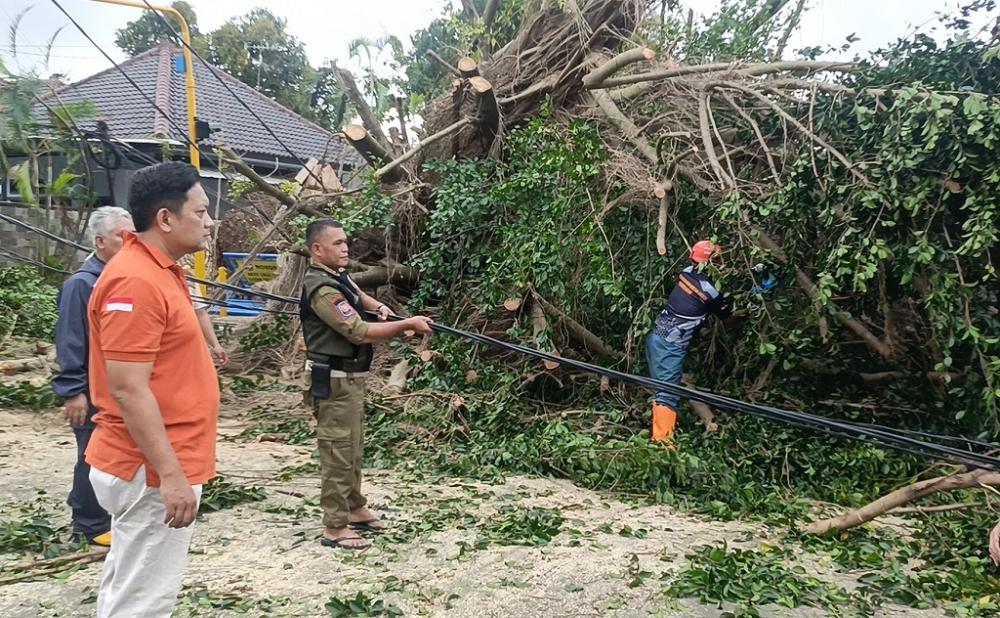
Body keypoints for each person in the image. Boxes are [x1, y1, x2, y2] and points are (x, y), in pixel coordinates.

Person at [85, 161, 219, 617]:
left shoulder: (160, 270)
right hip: (150, 468)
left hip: (161, 461)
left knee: (131, 579)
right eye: (200, 212)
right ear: (165, 219)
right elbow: (128, 389)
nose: (209, 221)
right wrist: (172, 477)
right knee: (143, 599)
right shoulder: (135, 280)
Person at [300, 218, 433, 550]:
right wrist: (406, 325)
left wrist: (380, 307)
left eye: (346, 241)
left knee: (354, 447)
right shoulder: (322, 289)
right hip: (333, 380)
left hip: (351, 378)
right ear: (317, 250)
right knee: (338, 452)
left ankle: (355, 507)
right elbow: (358, 331)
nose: (345, 248)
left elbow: (358, 296)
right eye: (337, 244)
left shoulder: (338, 277)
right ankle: (334, 526)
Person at [52, 206, 134, 547]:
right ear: (100, 241)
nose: (129, 241)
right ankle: (88, 522)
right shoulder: (82, 284)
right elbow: (71, 340)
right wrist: (73, 390)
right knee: (91, 454)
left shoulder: (118, 278)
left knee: (109, 456)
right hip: (89, 389)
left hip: (114, 389)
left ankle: (103, 515)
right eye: (121, 236)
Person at [646, 240, 731, 441]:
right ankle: (663, 444)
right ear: (710, 263)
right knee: (667, 394)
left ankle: (665, 431)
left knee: (664, 389)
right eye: (717, 261)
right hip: (670, 346)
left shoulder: (686, 272)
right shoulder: (711, 292)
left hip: (656, 337)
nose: (721, 264)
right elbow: (728, 317)